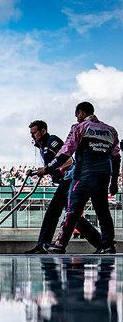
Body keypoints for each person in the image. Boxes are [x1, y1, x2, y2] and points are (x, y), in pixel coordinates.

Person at [37, 102, 120, 254]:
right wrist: (114, 181)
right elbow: (116, 157)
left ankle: (60, 245)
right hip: (103, 176)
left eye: (77, 116)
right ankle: (108, 245)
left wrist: (47, 169)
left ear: (81, 113)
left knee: (73, 211)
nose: (77, 119)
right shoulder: (111, 130)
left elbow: (64, 153)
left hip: (83, 176)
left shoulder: (79, 128)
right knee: (103, 211)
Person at [24, 120, 101, 254]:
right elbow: (52, 165)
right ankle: (100, 243)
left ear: (43, 131)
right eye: (31, 133)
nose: (32, 136)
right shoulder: (42, 146)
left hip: (70, 180)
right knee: (72, 216)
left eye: (34, 133)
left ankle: (43, 244)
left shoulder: (52, 141)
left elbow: (68, 159)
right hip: (65, 181)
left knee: (54, 212)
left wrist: (48, 169)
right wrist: (40, 170)